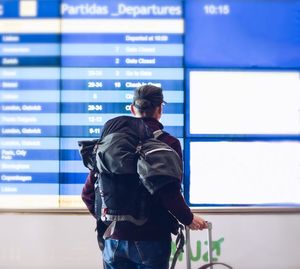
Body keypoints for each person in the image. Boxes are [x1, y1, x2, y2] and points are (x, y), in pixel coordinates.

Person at [82, 85, 207, 269]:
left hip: (113, 239)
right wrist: (188, 218)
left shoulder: (112, 143)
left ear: (133, 108)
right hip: (152, 238)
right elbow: (168, 193)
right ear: (160, 109)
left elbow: (87, 194)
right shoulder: (168, 142)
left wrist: (111, 221)